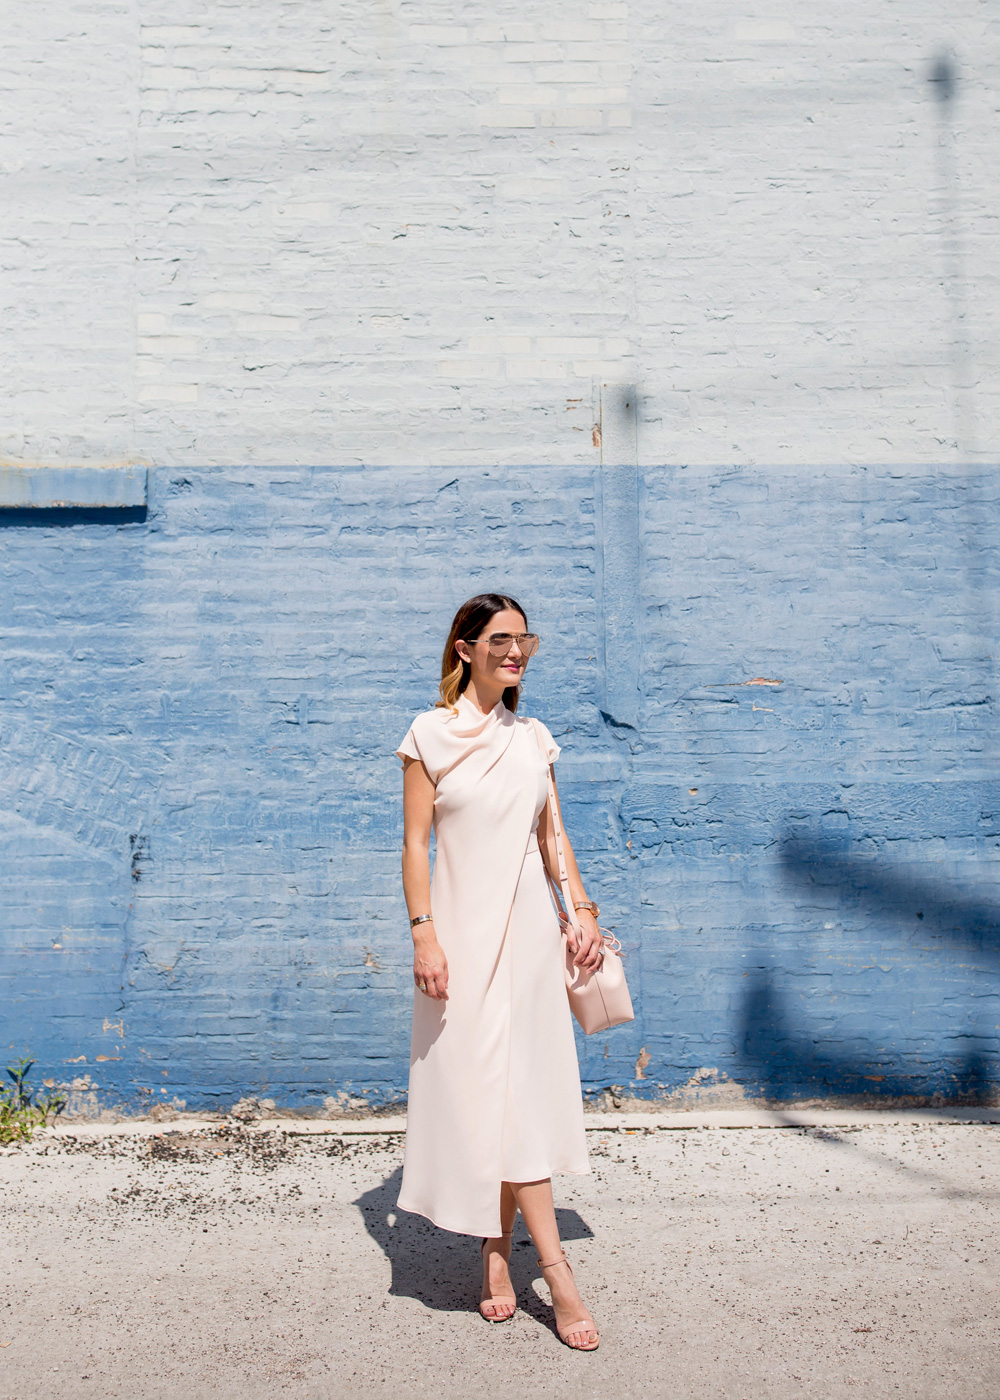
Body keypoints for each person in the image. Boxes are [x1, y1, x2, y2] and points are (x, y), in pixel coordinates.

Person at [395, 592, 603, 1351]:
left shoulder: (534, 738)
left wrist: (581, 911)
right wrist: (424, 935)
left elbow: (554, 837)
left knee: (516, 1095)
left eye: (525, 641)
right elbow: (416, 845)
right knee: (485, 1092)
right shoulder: (430, 735)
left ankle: (510, 1256)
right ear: (464, 648)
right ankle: (540, 1265)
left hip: (525, 936)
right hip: (460, 933)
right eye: (501, 640)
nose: (516, 653)